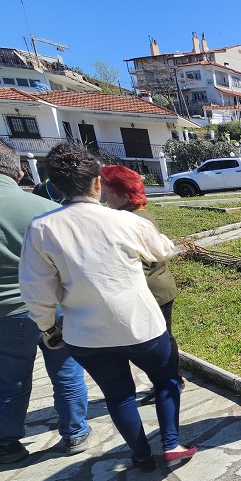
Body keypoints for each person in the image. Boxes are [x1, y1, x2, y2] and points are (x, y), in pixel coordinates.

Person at [19, 143, 195, 472]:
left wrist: (48, 328)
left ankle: (142, 454)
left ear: (54, 186)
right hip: (140, 323)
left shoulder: (41, 230)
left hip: (85, 333)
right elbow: (164, 249)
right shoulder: (127, 222)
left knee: (118, 394)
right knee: (166, 379)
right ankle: (171, 443)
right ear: (97, 183)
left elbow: (36, 289)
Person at [0, 136, 91, 464]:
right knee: (67, 369)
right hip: (56, 306)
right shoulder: (46, 208)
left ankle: (6, 441)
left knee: (9, 380)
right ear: (18, 174)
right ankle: (75, 432)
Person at [100, 164, 183, 403]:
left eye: (108, 192)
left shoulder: (130, 220)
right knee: (164, 338)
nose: (104, 198)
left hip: (152, 292)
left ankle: (170, 383)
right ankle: (172, 380)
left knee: (160, 342)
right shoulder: (139, 214)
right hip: (159, 288)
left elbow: (142, 262)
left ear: (125, 195)